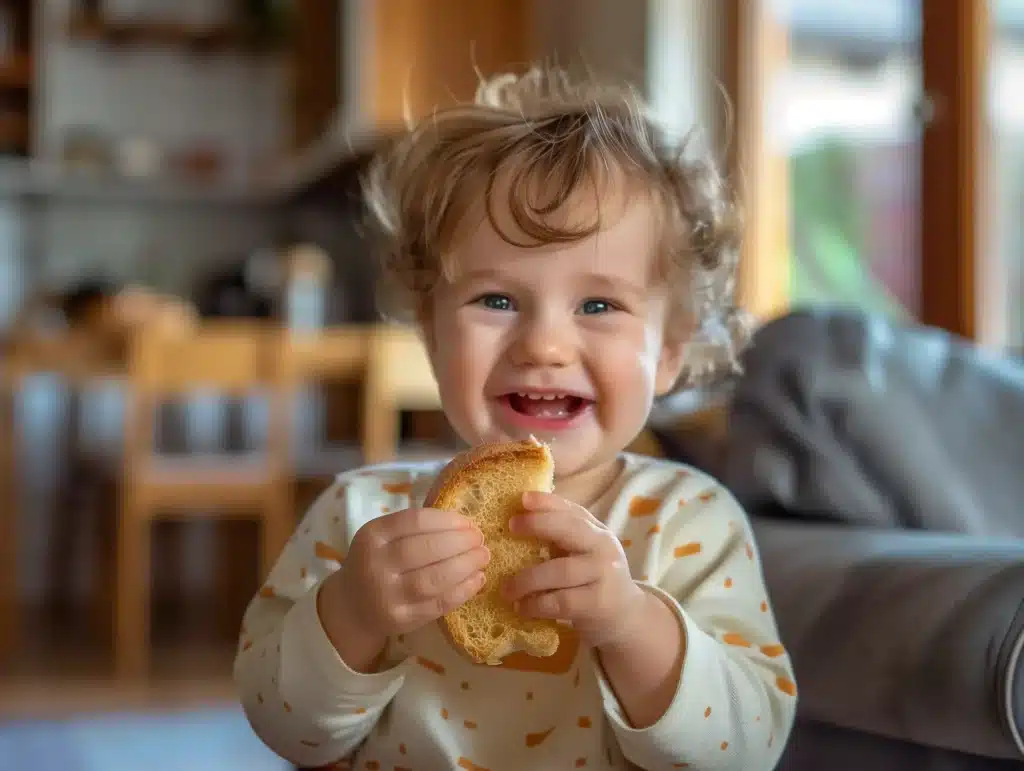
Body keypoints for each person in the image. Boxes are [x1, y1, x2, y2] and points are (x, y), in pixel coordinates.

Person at [234, 66, 797, 770]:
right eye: (496, 300)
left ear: (669, 355)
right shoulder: (360, 517)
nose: (544, 345)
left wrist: (629, 623)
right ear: (432, 335)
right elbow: (284, 727)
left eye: (598, 305)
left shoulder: (692, 522)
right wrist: (352, 612)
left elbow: (744, 749)